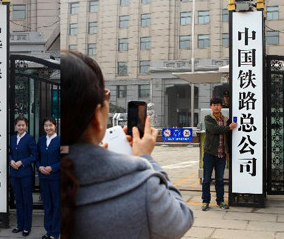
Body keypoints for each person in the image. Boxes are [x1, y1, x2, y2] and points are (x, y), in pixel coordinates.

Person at [60, 51, 193, 239]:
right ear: (97, 116)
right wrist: (146, 158)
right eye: (105, 95)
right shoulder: (141, 184)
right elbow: (180, 221)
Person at [202, 97, 237, 211]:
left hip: (222, 155)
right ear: (211, 106)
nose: (216, 106)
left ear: (222, 106)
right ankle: (205, 201)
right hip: (209, 154)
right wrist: (229, 128)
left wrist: (228, 152)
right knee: (207, 179)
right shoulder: (208, 118)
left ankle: (220, 201)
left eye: (218, 104)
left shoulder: (226, 119)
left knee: (220, 180)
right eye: (214, 105)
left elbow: (229, 137)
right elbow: (215, 129)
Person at [9, 115, 37, 237]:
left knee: (27, 200)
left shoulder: (30, 139)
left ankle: (27, 226)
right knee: (18, 200)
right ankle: (19, 225)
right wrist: (10, 161)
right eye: (19, 125)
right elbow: (9, 153)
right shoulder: (13, 138)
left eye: (23, 125)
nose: (21, 127)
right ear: (16, 126)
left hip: (25, 174)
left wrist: (22, 162)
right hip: (14, 174)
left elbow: (34, 156)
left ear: (26, 126)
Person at [36, 117, 60, 239]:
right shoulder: (40, 140)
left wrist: (52, 167)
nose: (48, 128)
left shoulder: (60, 140)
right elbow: (37, 157)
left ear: (55, 126)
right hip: (43, 177)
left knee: (56, 204)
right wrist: (39, 167)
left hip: (55, 177)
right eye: (46, 125)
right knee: (47, 205)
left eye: (50, 125)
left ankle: (55, 232)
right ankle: (48, 230)